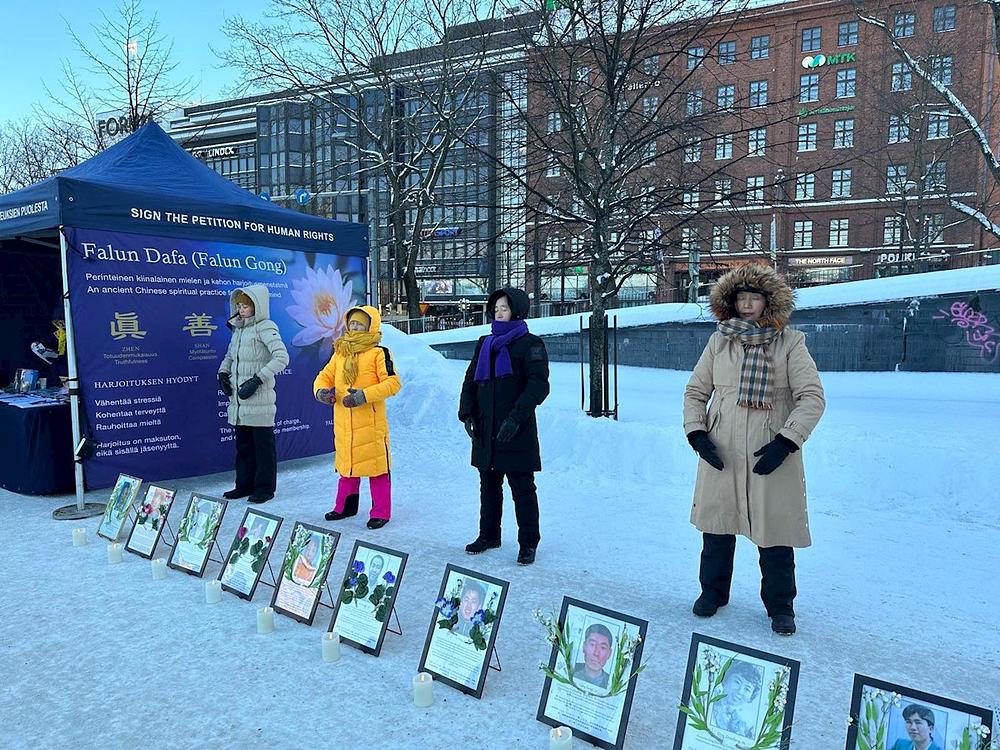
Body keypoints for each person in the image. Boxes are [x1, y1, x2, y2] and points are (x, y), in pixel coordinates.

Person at [683, 263, 825, 636]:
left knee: (774, 533)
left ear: (768, 302)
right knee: (716, 527)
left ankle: (780, 606)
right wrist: (697, 433)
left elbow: (811, 398)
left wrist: (787, 440)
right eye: (741, 299)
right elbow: (697, 392)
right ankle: (712, 593)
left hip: (771, 449)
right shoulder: (719, 341)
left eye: (754, 299)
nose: (747, 306)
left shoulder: (790, 342)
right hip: (723, 449)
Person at [459, 288, 550, 565]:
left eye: (505, 308)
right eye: (496, 308)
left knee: (522, 488)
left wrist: (515, 418)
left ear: (517, 311)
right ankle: (488, 534)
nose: (499, 313)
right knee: (488, 485)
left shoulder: (530, 344)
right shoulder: (484, 343)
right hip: (487, 429)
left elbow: (538, 385)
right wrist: (468, 414)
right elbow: (471, 380)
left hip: (516, 429)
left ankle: (528, 543)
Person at [313, 306, 402, 529]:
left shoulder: (379, 353)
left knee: (377, 469)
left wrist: (364, 395)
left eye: (360, 324)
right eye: (352, 323)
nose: (354, 327)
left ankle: (380, 512)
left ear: (370, 326)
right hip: (344, 421)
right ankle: (345, 507)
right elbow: (324, 376)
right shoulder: (340, 352)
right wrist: (322, 392)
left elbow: (393, 383)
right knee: (347, 466)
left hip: (370, 424)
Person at [218, 285, 289, 504]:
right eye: (238, 305)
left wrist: (257, 379)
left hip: (259, 400)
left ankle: (265, 488)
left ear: (257, 306)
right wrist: (222, 373)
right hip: (239, 402)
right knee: (243, 446)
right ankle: (244, 484)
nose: (241, 309)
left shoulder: (265, 327)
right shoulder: (239, 329)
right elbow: (230, 356)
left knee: (262, 448)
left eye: (246, 305)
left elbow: (281, 357)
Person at [709, 660, 762, 739]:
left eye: (747, 689)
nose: (740, 692)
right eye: (737, 682)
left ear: (751, 697)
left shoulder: (745, 727)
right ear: (725, 680)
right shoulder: (709, 706)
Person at [571, 623, 613, 689]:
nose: (596, 653)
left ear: (609, 653)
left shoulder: (612, 683)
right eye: (592, 644)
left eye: (603, 647)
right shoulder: (569, 669)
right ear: (584, 646)